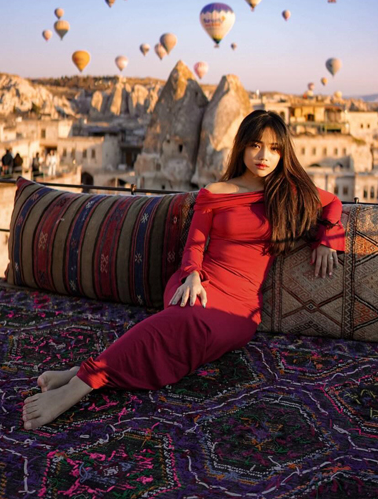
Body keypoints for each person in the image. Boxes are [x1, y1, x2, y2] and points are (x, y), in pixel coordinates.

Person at [22, 110, 345, 429]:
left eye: (275, 149)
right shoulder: (215, 193)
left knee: (182, 329)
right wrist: (192, 275)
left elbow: (332, 204)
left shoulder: (287, 192)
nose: (264, 156)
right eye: (256, 145)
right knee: (180, 320)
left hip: (242, 304)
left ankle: (81, 370)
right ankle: (80, 386)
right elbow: (195, 242)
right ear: (243, 146)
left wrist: (327, 239)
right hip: (199, 280)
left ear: (284, 153)